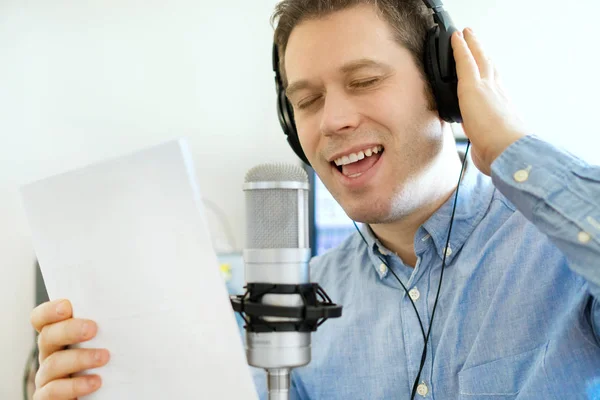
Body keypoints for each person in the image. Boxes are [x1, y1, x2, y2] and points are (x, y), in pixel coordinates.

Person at [30, 0, 600, 399]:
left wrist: (507, 145)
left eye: (363, 81)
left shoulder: (562, 252)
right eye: (307, 99)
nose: (334, 120)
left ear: (444, 84)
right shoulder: (293, 312)